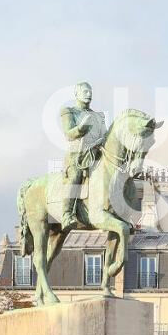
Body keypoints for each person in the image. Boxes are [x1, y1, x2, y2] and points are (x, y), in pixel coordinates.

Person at [58, 81, 106, 230]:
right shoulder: (69, 111)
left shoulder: (98, 116)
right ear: (76, 94)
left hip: (97, 154)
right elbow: (69, 133)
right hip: (77, 155)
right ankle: (67, 214)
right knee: (75, 176)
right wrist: (80, 129)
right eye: (85, 91)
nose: (89, 94)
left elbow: (105, 135)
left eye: (90, 92)